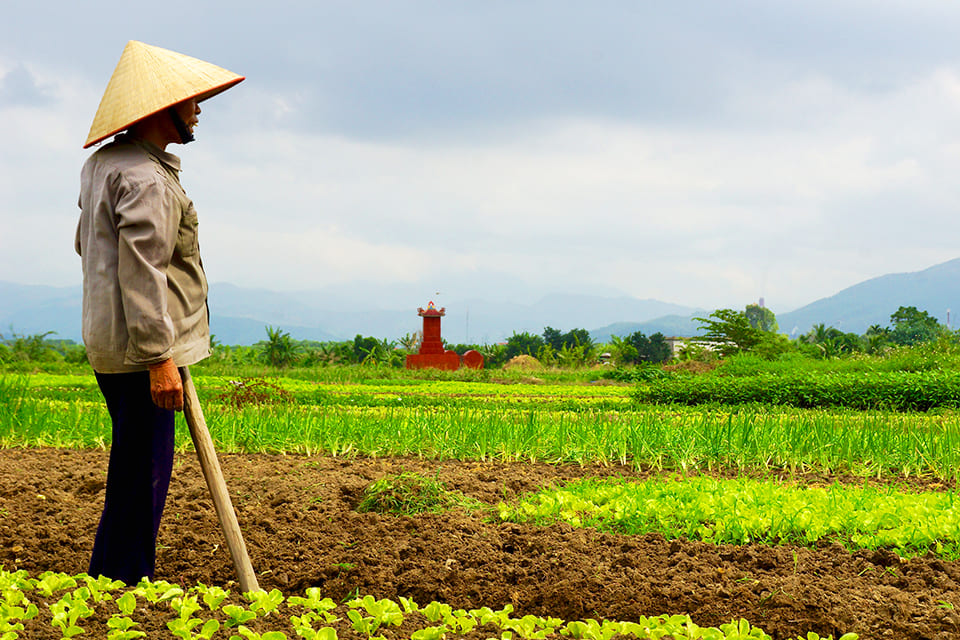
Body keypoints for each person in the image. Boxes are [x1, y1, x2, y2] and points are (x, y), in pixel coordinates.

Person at [75, 41, 243, 584]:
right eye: (189, 101)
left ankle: (111, 577)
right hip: (141, 351)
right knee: (144, 472)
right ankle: (122, 581)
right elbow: (142, 272)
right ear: (158, 111)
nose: (198, 109)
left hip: (107, 342)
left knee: (132, 467)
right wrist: (159, 358)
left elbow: (87, 246)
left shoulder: (105, 164)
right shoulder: (147, 179)